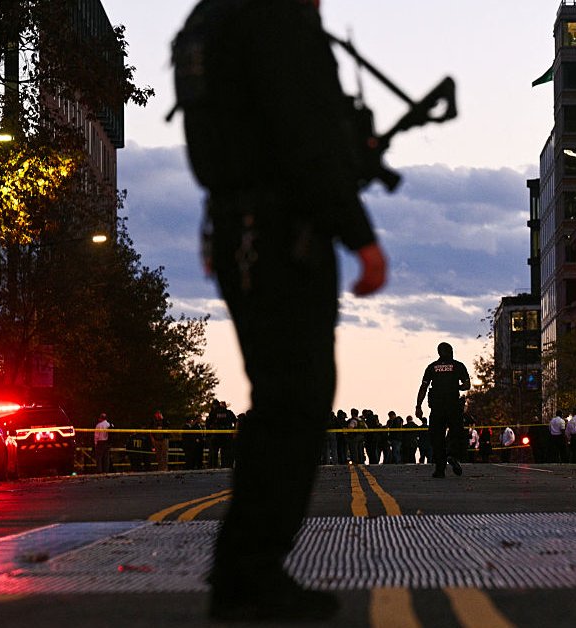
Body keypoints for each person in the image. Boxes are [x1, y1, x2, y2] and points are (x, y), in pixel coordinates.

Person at [174, 0, 388, 620]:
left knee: (281, 396)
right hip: (281, 234)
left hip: (237, 225)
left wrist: (216, 216)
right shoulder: (274, 19)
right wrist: (359, 235)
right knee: (295, 396)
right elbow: (305, 137)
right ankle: (249, 568)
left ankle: (247, 566)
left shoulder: (206, 22)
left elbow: (223, 133)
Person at [415, 342, 471, 478]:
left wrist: (418, 406)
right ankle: (453, 455)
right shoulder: (458, 366)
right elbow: (466, 385)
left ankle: (440, 469)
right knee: (457, 433)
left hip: (437, 407)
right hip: (453, 406)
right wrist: (456, 387)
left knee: (437, 437)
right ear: (451, 351)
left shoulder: (432, 367)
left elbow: (423, 387)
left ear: (439, 353)